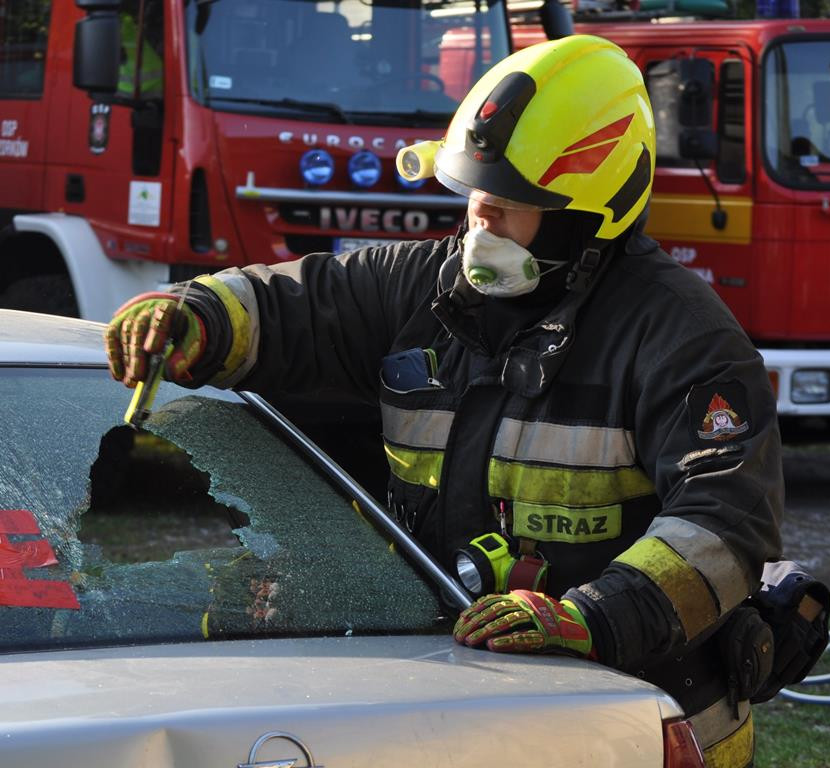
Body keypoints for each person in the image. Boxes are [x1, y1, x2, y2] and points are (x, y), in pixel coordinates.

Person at [105, 36, 782, 768]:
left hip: (642, 724)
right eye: (476, 199)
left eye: (509, 208)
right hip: (460, 715)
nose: (480, 224)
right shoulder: (422, 288)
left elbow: (724, 524)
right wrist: (197, 315)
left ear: (590, 216)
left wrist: (592, 618)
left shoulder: (681, 337)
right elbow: (297, 305)